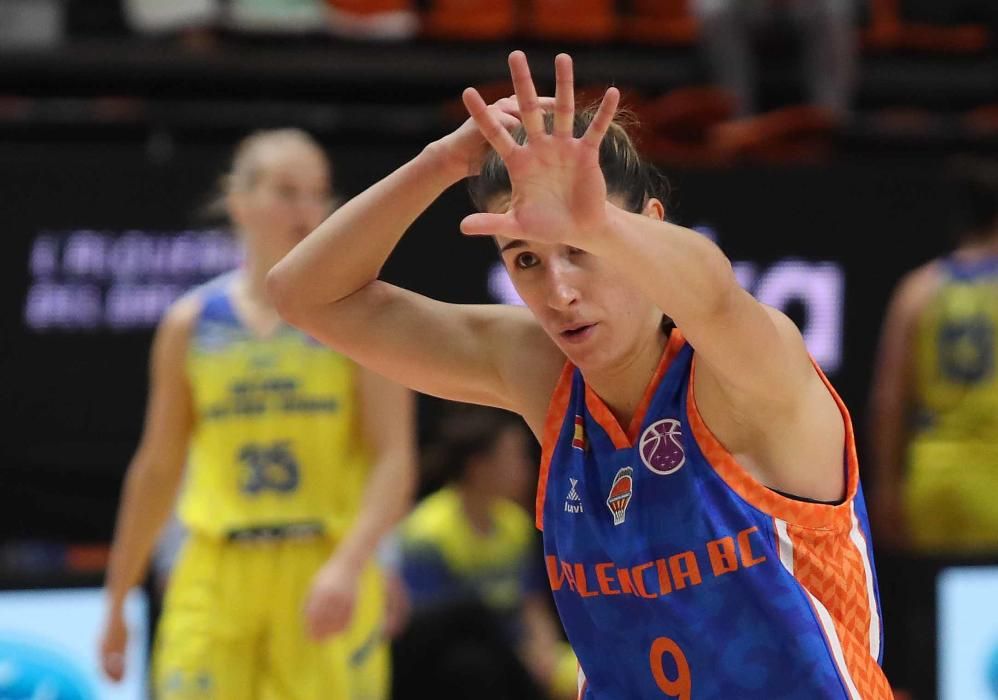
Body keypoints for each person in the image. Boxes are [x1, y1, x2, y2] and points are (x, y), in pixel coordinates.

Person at [267, 52, 891, 698]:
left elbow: (713, 294)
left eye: (580, 251)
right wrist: (442, 163)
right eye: (527, 259)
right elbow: (305, 296)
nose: (558, 290)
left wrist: (600, 223)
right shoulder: (539, 372)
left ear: (646, 225)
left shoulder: (743, 373)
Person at [98, 128, 416, 700]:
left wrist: (355, 562)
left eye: (317, 193)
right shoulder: (191, 324)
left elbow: (394, 459)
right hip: (214, 568)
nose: (306, 209)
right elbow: (157, 470)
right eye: (287, 191)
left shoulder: (357, 318)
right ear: (239, 201)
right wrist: (118, 599)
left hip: (322, 562)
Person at [869, 157, 998, 697]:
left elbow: (889, 400)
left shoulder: (918, 290)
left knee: (936, 647)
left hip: (935, 485)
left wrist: (886, 486)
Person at [395, 405, 576, 700]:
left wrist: (544, 649)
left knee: (587, 671)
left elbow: (532, 604)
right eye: (514, 457)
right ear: (479, 466)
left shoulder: (515, 523)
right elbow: (425, 630)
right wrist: (518, 658)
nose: (526, 467)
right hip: (460, 658)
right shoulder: (428, 532)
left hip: (522, 651)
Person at [692, 0, 857, 118]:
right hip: (743, 7)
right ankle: (736, 119)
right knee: (715, 11)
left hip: (803, 7)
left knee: (836, 9)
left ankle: (830, 120)